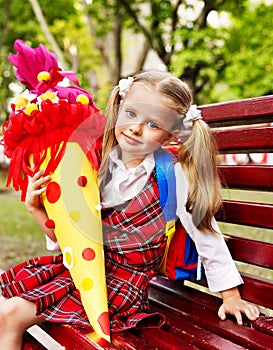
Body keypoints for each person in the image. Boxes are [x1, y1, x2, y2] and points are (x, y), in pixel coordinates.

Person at [0, 70, 259, 349]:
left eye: (153, 124)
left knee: (10, 314)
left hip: (122, 285)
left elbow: (206, 235)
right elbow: (71, 240)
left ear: (170, 134)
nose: (136, 128)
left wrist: (230, 295)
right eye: (132, 114)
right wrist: (36, 210)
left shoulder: (173, 174)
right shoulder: (96, 163)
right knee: (4, 309)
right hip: (85, 270)